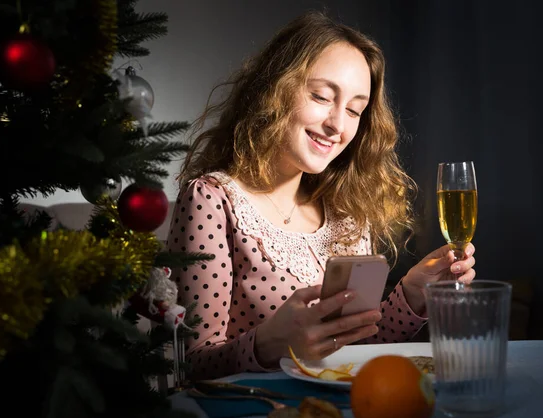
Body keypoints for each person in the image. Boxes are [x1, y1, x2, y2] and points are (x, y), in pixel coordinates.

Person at [166, 10, 476, 381]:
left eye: (354, 110)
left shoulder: (347, 213)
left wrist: (410, 296)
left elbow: (355, 354)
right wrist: (268, 343)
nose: (338, 126)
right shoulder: (212, 199)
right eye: (321, 96)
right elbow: (188, 366)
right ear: (275, 89)